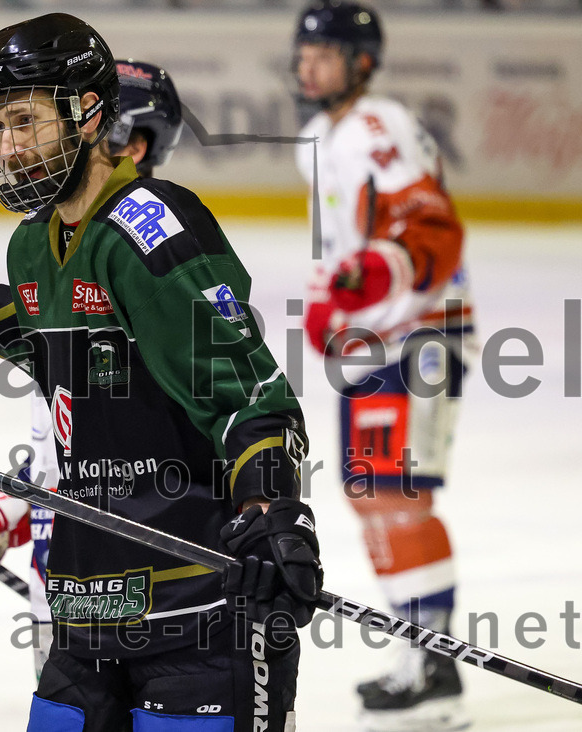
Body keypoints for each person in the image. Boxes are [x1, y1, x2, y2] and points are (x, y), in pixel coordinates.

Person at [0, 14, 322, 731]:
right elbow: (62, 350)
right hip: (91, 603)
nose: (6, 146)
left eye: (24, 121)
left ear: (88, 114)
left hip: (199, 608)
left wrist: (272, 510)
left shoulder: (147, 225)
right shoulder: (34, 247)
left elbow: (247, 394)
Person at [0, 58, 188, 682]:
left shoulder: (160, 272)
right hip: (65, 598)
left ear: (134, 144)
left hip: (154, 602)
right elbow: (69, 446)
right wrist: (5, 511)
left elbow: (147, 454)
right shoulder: (48, 260)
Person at [292, 2, 474, 730]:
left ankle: (437, 668)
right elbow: (342, 251)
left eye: (324, 52)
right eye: (303, 52)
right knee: (371, 494)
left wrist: (377, 270)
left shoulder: (379, 125)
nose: (307, 64)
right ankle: (417, 655)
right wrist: (332, 304)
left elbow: (428, 223)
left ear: (361, 62)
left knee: (398, 496)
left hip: (422, 332)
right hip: (375, 340)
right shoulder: (315, 135)